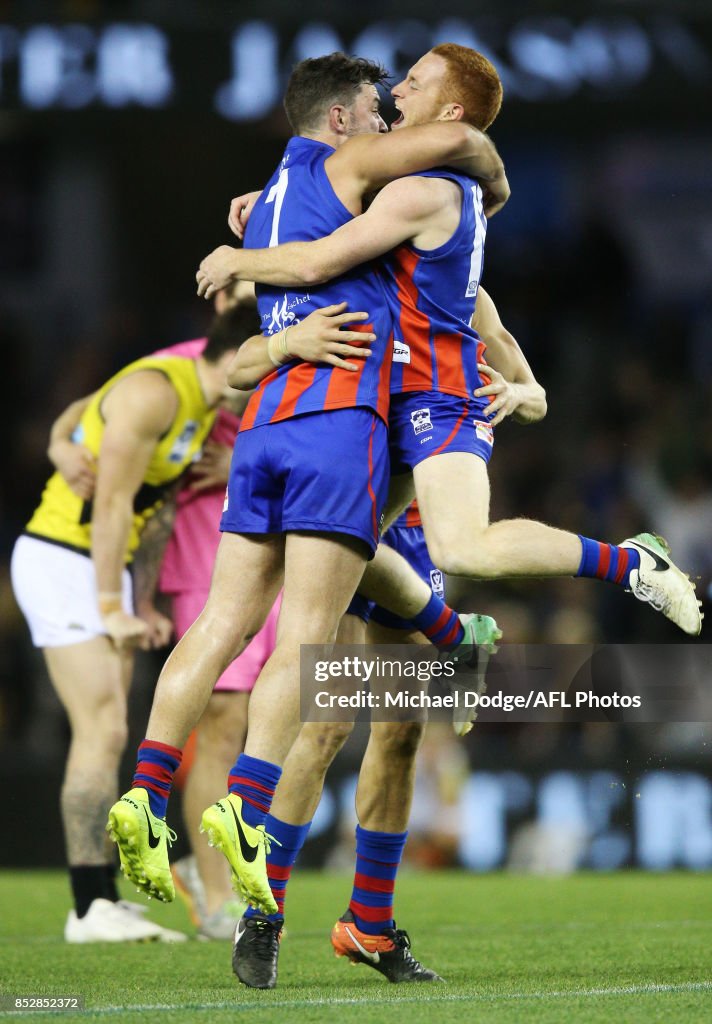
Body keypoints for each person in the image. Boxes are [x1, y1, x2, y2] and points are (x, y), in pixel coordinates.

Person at [107, 50, 509, 934]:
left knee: (227, 626)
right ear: (340, 121)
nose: (387, 110)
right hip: (348, 429)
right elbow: (472, 155)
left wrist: (249, 264)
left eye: (405, 91)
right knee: (310, 647)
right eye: (378, 101)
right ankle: (249, 818)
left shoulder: (271, 198)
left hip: (265, 432)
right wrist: (491, 177)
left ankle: (145, 798)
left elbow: (245, 351)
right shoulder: (358, 170)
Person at [197, 46, 702, 643]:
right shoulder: (404, 197)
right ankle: (457, 638)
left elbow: (315, 261)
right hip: (385, 404)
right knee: (345, 545)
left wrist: (240, 258)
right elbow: (473, 307)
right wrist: (272, 202)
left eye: (413, 83)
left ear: (451, 110)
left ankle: (633, 566)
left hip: (433, 397)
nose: (397, 95)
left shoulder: (426, 194)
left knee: (464, 550)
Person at [225, 284, 545, 987]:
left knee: (400, 729)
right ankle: (264, 911)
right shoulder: (352, 280)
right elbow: (265, 316)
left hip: (420, 522)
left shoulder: (465, 296)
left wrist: (521, 397)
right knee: (325, 723)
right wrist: (246, 264)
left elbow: (533, 389)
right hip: (349, 497)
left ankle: (368, 925)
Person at [10, 306, 250, 942]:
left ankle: (99, 899)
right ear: (227, 353)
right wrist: (112, 606)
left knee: (110, 731)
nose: (261, 375)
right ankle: (89, 906)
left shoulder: (199, 408)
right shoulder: (155, 390)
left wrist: (138, 601)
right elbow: (114, 502)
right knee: (102, 727)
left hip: (103, 569)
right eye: (257, 362)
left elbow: (144, 501)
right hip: (63, 556)